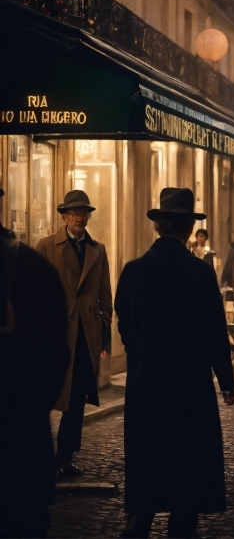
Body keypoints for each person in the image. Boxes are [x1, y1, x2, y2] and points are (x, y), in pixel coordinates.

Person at [115, 188, 234, 539]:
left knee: (147, 448)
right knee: (187, 450)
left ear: (157, 228)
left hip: (146, 377)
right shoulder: (199, 273)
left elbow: (124, 319)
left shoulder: (134, 271)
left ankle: (141, 515)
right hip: (189, 381)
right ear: (186, 230)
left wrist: (137, 348)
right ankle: (182, 520)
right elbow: (214, 330)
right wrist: (226, 378)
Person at [0, 188, 69, 538]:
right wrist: (30, 406)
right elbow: (57, 355)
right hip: (21, 434)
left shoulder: (32, 265)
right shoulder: (34, 266)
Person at [36, 190, 112, 478]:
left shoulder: (98, 249)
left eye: (84, 214)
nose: (80, 218)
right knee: (46, 394)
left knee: (76, 397)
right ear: (64, 216)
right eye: (75, 213)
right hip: (54, 335)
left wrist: (102, 323)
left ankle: (64, 457)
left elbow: (105, 293)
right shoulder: (47, 246)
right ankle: (41, 456)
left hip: (85, 335)